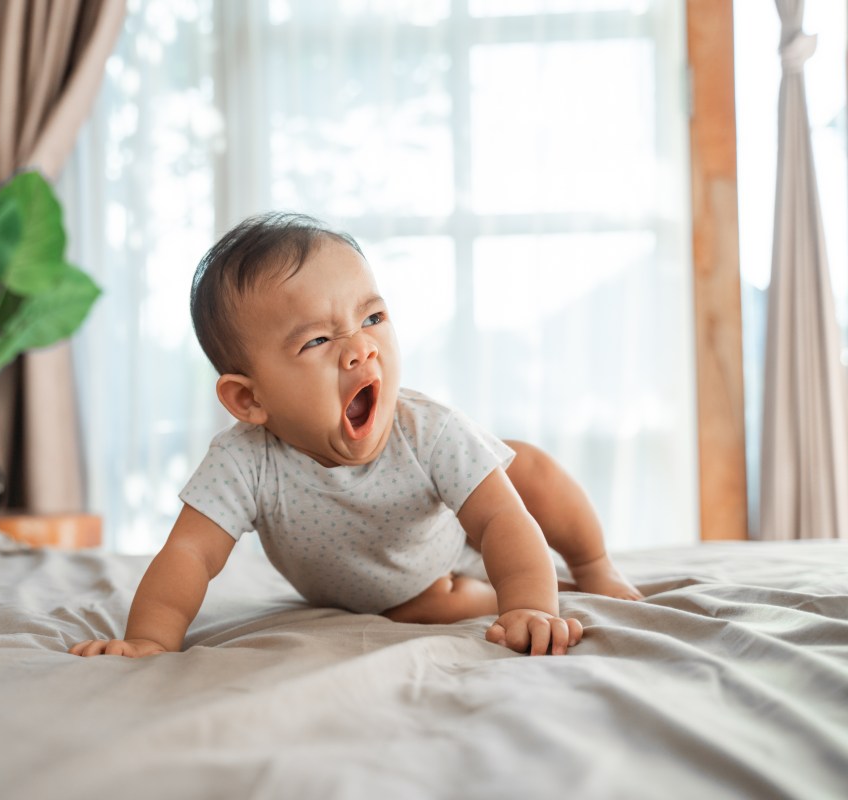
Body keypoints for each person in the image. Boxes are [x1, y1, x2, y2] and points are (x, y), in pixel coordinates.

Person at [71, 212, 643, 660]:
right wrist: (150, 639)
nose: (362, 348)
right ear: (250, 399)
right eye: (318, 341)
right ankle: (499, 591)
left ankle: (590, 568)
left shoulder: (429, 430)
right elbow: (190, 554)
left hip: (456, 534)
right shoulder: (244, 462)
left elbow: (500, 521)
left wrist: (531, 608)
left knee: (526, 469)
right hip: (399, 588)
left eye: (372, 319)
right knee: (425, 607)